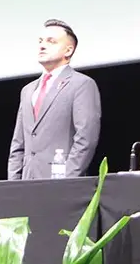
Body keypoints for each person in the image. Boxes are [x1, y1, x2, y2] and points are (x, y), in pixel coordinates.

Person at [8, 20, 102, 180]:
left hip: (60, 182)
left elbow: (85, 138)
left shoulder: (81, 84)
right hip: (25, 184)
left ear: (68, 50)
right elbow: (18, 143)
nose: (42, 46)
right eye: (40, 41)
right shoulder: (28, 90)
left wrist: (66, 179)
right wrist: (13, 181)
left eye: (51, 41)